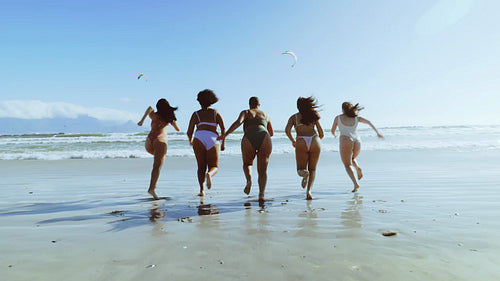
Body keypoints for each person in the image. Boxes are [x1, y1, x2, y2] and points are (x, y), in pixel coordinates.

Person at [218, 97, 273, 201]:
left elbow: (238, 122)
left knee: (247, 163)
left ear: (249, 104)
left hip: (249, 135)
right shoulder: (266, 115)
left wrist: (226, 134)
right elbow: (272, 132)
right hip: (264, 135)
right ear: (259, 105)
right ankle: (261, 194)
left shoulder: (246, 112)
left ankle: (249, 180)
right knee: (262, 171)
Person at [331, 102, 384, 192]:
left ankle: (356, 184)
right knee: (352, 158)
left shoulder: (338, 118)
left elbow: (333, 130)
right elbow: (369, 122)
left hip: (346, 140)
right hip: (357, 141)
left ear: (343, 109)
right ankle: (358, 168)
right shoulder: (356, 118)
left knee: (347, 164)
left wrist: (335, 134)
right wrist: (377, 133)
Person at [138, 98, 180, 200]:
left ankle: (153, 185)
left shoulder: (154, 115)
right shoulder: (169, 118)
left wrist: (142, 120)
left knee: (156, 164)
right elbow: (177, 129)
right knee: (156, 167)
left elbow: (150, 108)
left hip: (149, 141)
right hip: (160, 140)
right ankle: (152, 188)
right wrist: (172, 121)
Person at [187, 89, 226, 196]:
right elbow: (223, 129)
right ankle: (209, 174)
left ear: (199, 101)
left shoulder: (196, 114)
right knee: (214, 166)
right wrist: (223, 143)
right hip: (213, 138)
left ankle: (202, 190)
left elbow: (189, 131)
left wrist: (191, 140)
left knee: (201, 166)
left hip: (199, 137)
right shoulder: (215, 113)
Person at [285, 97, 324, 200]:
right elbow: (321, 133)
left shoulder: (294, 117)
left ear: (298, 107)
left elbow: (287, 130)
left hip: (301, 140)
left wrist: (293, 140)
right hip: (315, 140)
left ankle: (304, 174)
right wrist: (315, 141)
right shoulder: (313, 116)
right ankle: (309, 192)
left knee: (300, 169)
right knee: (313, 169)